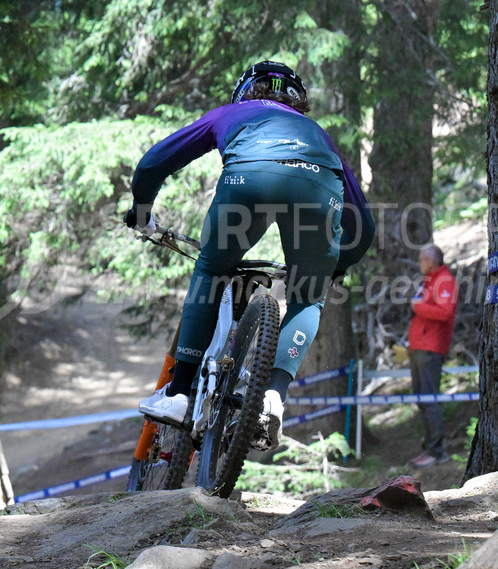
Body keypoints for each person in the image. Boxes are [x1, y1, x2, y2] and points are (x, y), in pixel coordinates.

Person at [123, 60, 376, 447]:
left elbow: (154, 162)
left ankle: (179, 394)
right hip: (317, 188)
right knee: (308, 298)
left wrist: (142, 211)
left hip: (247, 180)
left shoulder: (231, 113)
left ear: (244, 91)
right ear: (298, 102)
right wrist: (332, 267)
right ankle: (272, 397)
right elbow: (365, 229)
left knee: (211, 269)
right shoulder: (318, 134)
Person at [406, 243, 458, 468]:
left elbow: (446, 312)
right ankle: (429, 447)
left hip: (431, 347)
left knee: (429, 398)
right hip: (419, 346)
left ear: (430, 260)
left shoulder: (444, 280)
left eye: (421, 259)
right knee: (422, 398)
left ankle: (436, 451)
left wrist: (418, 308)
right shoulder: (430, 281)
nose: (419, 263)